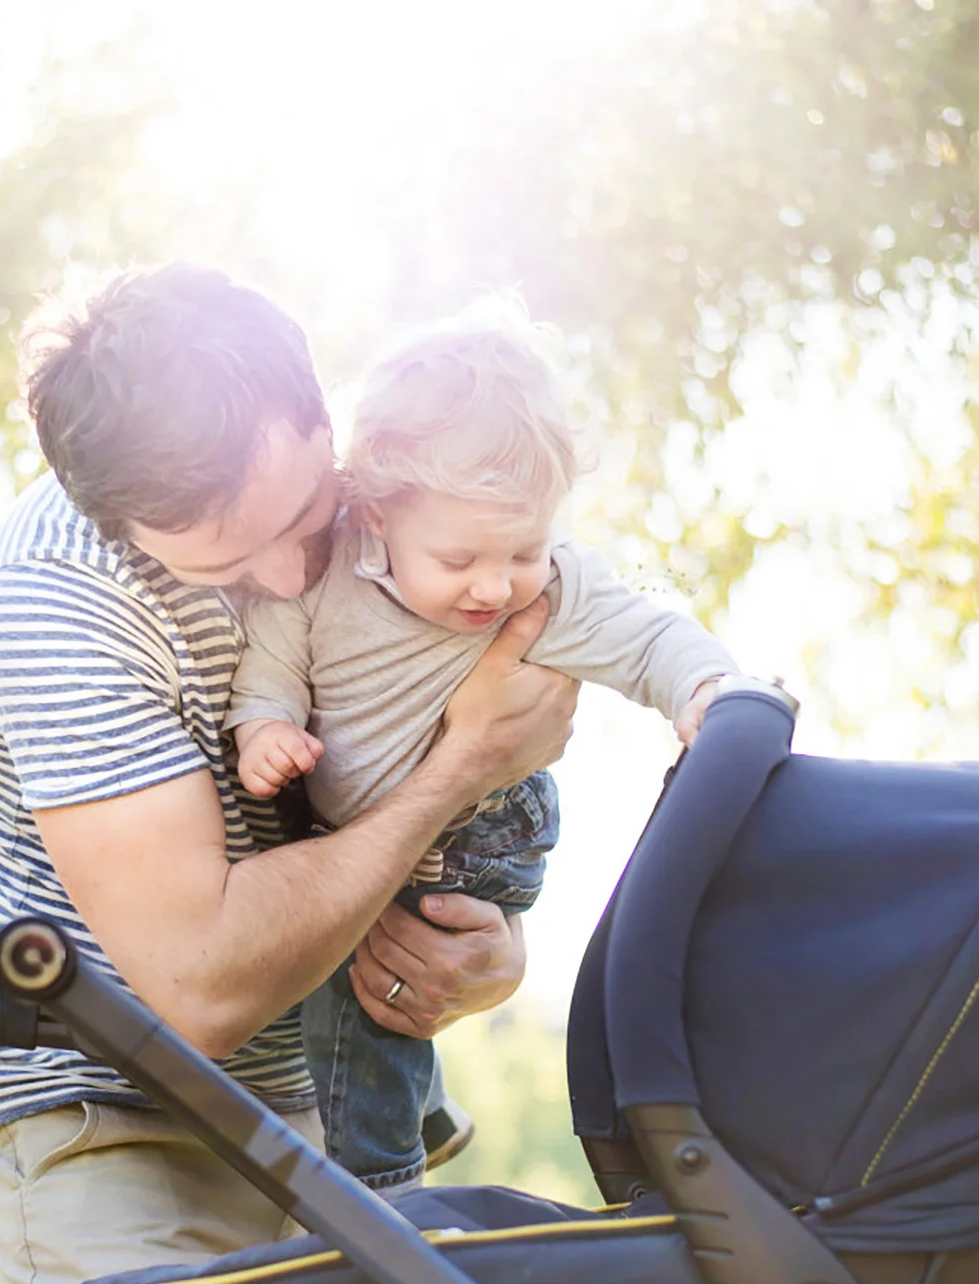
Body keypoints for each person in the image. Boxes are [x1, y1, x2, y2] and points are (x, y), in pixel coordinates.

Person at [0, 263, 579, 1284]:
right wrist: (452, 773)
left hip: (321, 1118)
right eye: (227, 563)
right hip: (109, 1115)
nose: (291, 568)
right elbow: (203, 985)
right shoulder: (61, 600)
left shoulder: (382, 493)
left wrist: (486, 953)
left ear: (315, 414)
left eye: (301, 514)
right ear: (118, 517)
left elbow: (427, 826)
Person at [228, 302, 740, 1195]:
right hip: (386, 822)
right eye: (462, 557)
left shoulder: (553, 591)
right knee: (349, 956)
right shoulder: (327, 573)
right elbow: (274, 653)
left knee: (358, 984)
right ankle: (422, 1119)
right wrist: (264, 725)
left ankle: (378, 1190)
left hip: (484, 829)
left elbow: (651, 637)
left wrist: (706, 692)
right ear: (379, 514)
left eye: (525, 550)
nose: (497, 585)